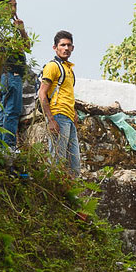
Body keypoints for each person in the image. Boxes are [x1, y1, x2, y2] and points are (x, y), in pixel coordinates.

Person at [38, 30, 80, 176]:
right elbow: (42, 93)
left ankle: (71, 197)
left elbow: (66, 94)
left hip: (69, 119)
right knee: (57, 161)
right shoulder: (52, 66)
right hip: (58, 116)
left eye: (69, 45)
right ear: (55, 48)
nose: (66, 48)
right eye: (62, 45)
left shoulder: (69, 69)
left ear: (73, 48)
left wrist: (74, 112)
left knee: (74, 165)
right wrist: (50, 120)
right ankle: (53, 193)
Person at [0, 0, 30, 150]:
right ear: (3, 7)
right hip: (10, 74)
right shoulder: (3, 27)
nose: (15, 8)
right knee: (11, 111)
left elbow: (27, 47)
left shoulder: (6, 25)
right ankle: (8, 147)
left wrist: (21, 29)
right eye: (12, 5)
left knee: (3, 112)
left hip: (8, 75)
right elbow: (22, 48)